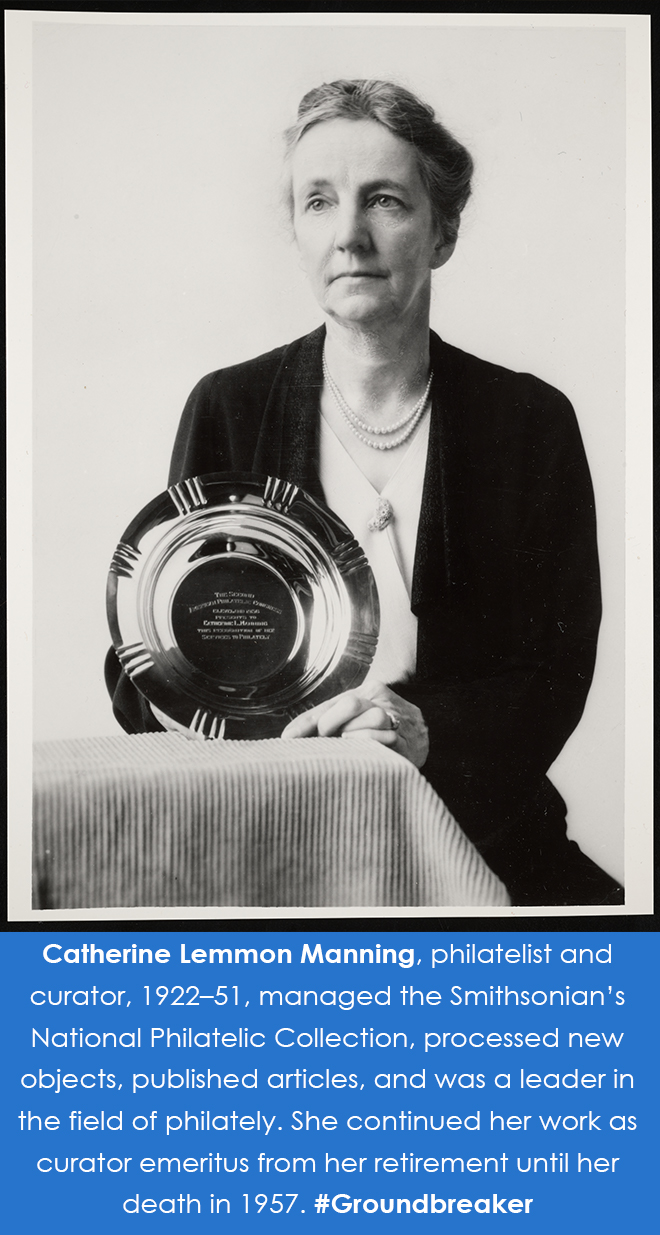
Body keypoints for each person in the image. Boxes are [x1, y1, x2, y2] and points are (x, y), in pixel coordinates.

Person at [106, 79, 623, 907]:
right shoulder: (228, 407)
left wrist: (427, 735)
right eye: (319, 202)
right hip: (272, 846)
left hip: (481, 836)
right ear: (297, 231)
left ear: (443, 231)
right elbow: (159, 657)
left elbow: (556, 675)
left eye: (384, 200)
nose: (349, 235)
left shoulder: (529, 420)